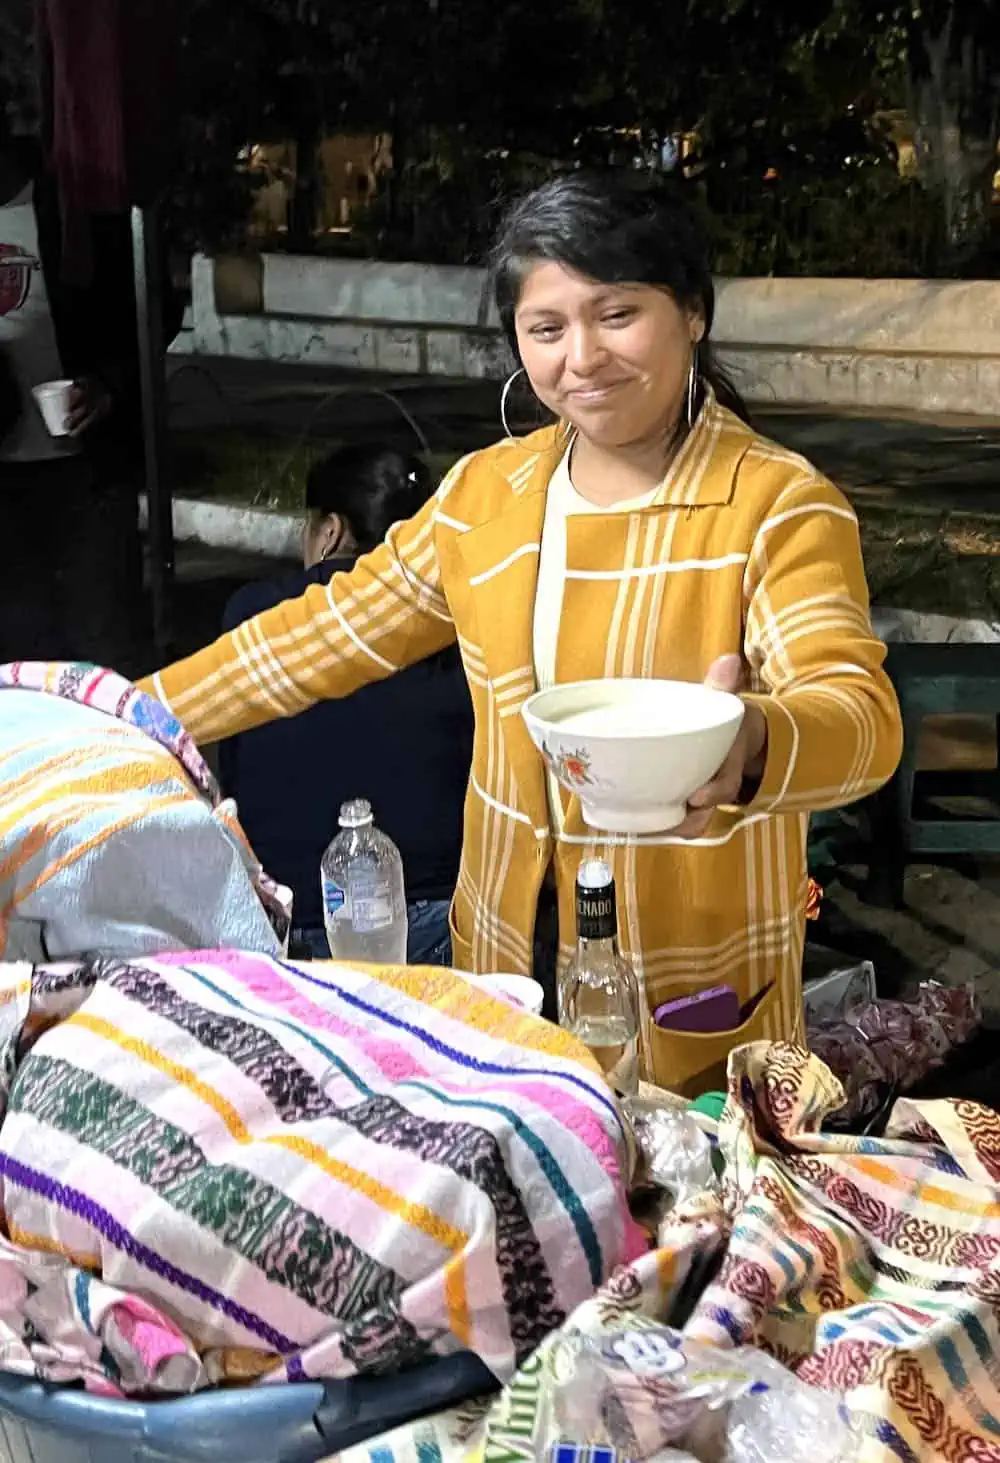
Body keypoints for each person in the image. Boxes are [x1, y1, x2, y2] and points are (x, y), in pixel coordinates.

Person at [140, 174, 902, 1070]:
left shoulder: (777, 504)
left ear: (693, 311)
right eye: (547, 329)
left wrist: (757, 741)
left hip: (688, 978)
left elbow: (862, 718)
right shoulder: (486, 497)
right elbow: (321, 635)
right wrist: (127, 710)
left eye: (617, 314)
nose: (581, 358)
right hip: (502, 963)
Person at [217, 445, 474, 965]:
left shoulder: (252, 613)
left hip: (292, 922)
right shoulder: (457, 622)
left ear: (330, 531)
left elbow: (234, 769)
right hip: (432, 920)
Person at [0, 117, 160, 671]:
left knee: (100, 639)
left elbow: (147, 306)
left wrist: (108, 386)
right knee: (18, 648)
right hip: (4, 475)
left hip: (86, 471)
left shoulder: (72, 206)